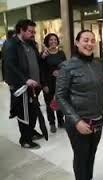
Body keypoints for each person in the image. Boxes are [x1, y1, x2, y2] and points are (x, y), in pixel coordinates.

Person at [56, 30, 103, 180]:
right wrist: (76, 121)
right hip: (79, 122)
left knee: (91, 155)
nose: (89, 44)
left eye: (92, 40)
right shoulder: (67, 66)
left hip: (97, 120)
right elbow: (60, 97)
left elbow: (100, 91)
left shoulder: (97, 64)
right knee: (81, 158)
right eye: (85, 40)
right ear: (76, 43)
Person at [4, 19, 45, 149]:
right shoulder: (11, 44)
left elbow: (35, 60)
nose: (33, 34)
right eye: (30, 31)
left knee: (33, 112)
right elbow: (10, 66)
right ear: (21, 30)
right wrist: (25, 79)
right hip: (22, 86)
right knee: (24, 113)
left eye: (34, 31)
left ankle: (30, 132)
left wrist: (42, 56)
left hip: (34, 85)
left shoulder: (31, 43)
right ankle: (25, 140)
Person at [41, 33, 66, 133]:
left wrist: (60, 72)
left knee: (60, 102)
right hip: (48, 82)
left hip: (60, 82)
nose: (53, 41)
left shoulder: (61, 53)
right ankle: (52, 123)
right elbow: (41, 70)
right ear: (47, 41)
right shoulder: (44, 54)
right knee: (49, 103)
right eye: (51, 40)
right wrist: (44, 84)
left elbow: (66, 67)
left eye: (55, 40)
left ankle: (61, 121)